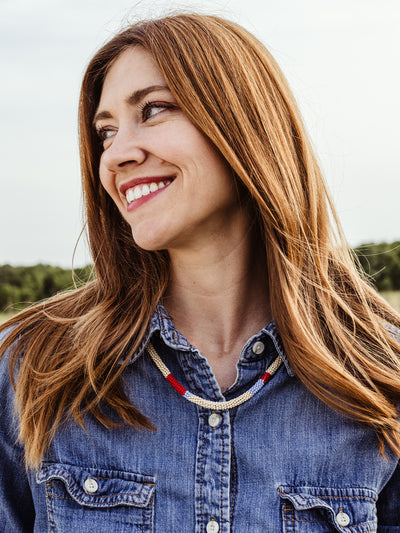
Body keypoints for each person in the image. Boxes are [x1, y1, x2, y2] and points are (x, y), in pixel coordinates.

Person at [1, 13, 400, 532]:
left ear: (244, 122)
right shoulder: (33, 369)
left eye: (154, 109)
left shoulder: (380, 379)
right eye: (105, 132)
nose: (117, 154)